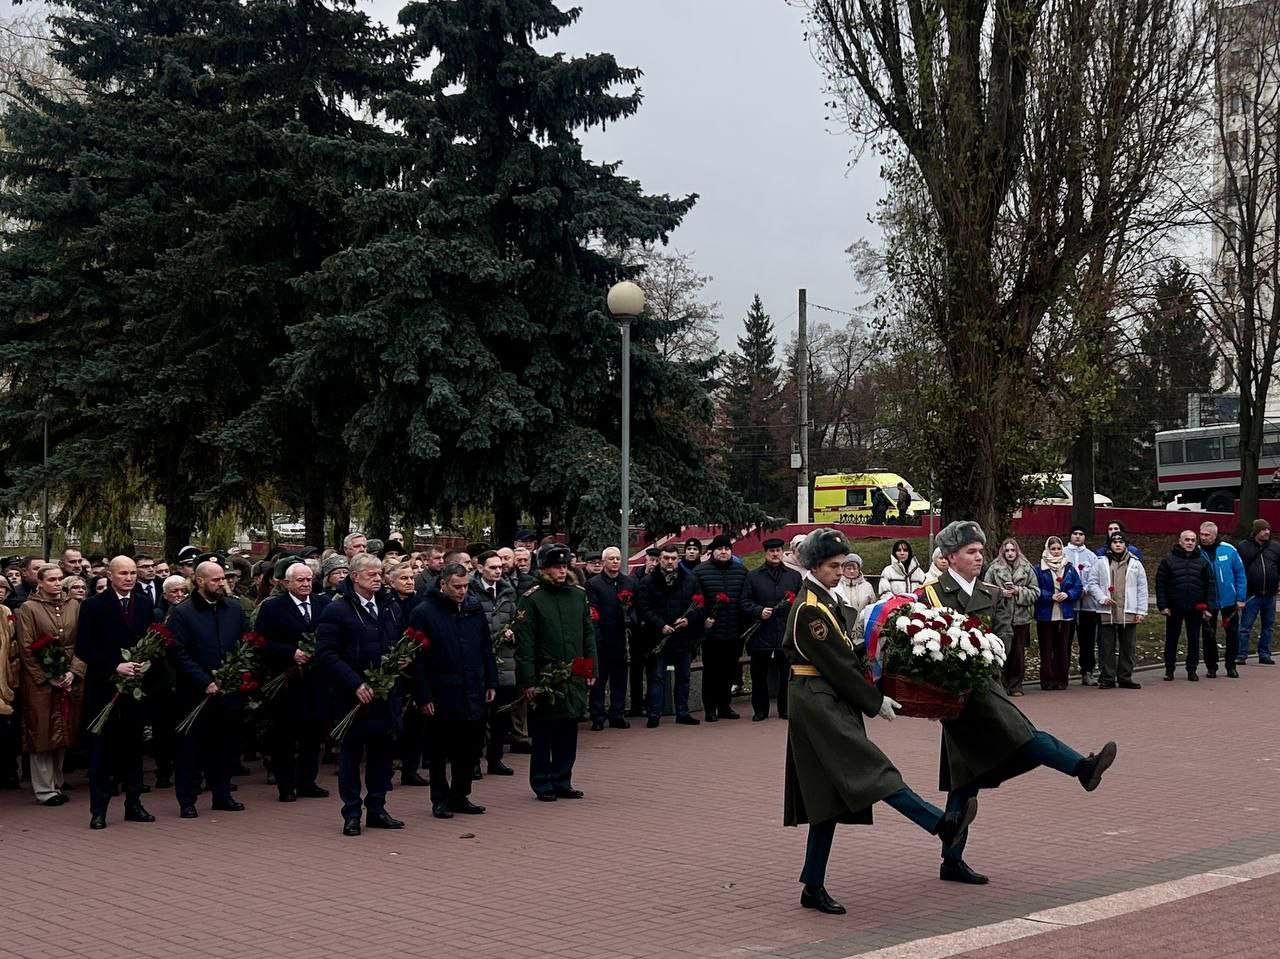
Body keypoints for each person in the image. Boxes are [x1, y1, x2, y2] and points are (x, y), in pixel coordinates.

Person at [784, 528, 977, 915]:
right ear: (814, 566)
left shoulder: (825, 600)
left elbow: (846, 653)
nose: (840, 572)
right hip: (819, 702)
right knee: (874, 771)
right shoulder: (810, 608)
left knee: (828, 796)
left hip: (828, 698)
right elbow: (837, 665)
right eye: (833, 566)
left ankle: (812, 885)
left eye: (842, 565)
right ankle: (940, 824)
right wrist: (875, 701)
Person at [923, 521, 1118, 885]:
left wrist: (988, 656)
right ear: (950, 557)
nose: (978, 557)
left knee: (967, 776)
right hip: (956, 695)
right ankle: (1082, 768)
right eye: (970, 551)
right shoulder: (931, 595)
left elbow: (1003, 635)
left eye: (980, 551)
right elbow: (920, 645)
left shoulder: (991, 592)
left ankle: (951, 859)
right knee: (1020, 740)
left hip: (986, 686)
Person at [316, 553, 406, 835]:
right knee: (351, 756)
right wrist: (355, 683)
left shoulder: (389, 605)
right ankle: (352, 812)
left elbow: (398, 640)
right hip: (351, 696)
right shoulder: (338, 609)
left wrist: (401, 660)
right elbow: (326, 653)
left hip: (384, 693)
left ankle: (377, 807)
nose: (378, 579)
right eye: (371, 574)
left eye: (380, 574)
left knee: (382, 755)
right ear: (355, 577)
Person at [411, 563, 496, 818]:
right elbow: (417, 659)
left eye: (465, 586)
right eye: (456, 587)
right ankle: (440, 798)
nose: (462, 591)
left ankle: (461, 794)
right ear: (443, 584)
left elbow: (485, 647)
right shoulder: (424, 612)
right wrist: (424, 696)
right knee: (439, 749)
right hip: (441, 690)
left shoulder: (473, 608)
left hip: (473, 687)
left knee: (468, 747)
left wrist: (491, 681)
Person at [77, 556, 156, 828]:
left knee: (133, 748)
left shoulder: (144, 603)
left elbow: (149, 640)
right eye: (123, 573)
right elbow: (84, 648)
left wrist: (145, 663)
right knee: (102, 751)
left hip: (134, 688)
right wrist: (114, 665)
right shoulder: (93, 606)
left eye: (133, 573)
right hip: (103, 688)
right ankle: (98, 809)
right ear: (110, 576)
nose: (129, 578)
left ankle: (134, 803)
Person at [513, 543, 597, 801]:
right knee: (544, 733)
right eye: (556, 567)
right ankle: (542, 782)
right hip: (545, 675)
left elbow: (587, 634)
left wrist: (590, 668)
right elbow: (525, 644)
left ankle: (562, 779)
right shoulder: (532, 599)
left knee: (568, 730)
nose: (562, 571)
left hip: (573, 674)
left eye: (564, 566)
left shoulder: (577, 595)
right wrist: (528, 680)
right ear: (544, 569)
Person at [167, 561, 250, 818]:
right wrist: (204, 681)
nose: (221, 583)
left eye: (223, 578)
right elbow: (177, 652)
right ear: (200, 581)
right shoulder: (183, 612)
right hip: (195, 693)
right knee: (191, 748)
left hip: (228, 690)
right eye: (215, 580)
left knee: (225, 745)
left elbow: (246, 643)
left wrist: (235, 673)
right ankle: (188, 799)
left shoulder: (233, 609)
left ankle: (222, 794)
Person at [254, 562, 330, 803]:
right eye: (300, 580)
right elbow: (261, 642)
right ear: (286, 583)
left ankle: (307, 781)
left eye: (309, 579)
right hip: (286, 681)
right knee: (285, 736)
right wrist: (290, 653)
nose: (306, 584)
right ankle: (286, 785)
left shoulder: (323, 604)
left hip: (315, 680)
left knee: (313, 734)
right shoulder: (273, 607)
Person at [14, 563, 83, 807]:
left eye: (59, 579)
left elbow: (82, 641)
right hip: (40, 681)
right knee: (41, 730)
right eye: (51, 579)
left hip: (69, 675)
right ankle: (44, 789)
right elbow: (26, 647)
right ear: (40, 583)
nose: (57, 583)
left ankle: (57, 781)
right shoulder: (29, 608)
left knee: (63, 728)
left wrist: (74, 671)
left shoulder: (73, 605)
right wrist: (47, 676)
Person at [741, 537, 802, 721]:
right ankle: (760, 710)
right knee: (759, 674)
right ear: (765, 553)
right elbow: (744, 602)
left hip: (785, 632)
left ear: (783, 552)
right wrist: (758, 610)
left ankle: (785, 708)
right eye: (771, 551)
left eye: (778, 551)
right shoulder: (753, 576)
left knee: (786, 674)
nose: (775, 554)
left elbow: (801, 602)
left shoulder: (794, 576)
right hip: (761, 632)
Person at [470, 551, 518, 773]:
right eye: (492, 567)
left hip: (504, 662)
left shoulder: (508, 591)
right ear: (480, 568)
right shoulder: (470, 591)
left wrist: (512, 634)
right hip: (479, 661)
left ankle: (495, 758)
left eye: (500, 567)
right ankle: (473, 762)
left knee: (501, 715)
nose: (498, 571)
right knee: (478, 718)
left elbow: (516, 619)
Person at [692, 534, 748, 721]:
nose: (724, 552)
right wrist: (703, 619)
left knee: (729, 670)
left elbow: (745, 598)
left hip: (734, 630)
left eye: (727, 549)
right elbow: (696, 600)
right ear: (712, 551)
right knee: (711, 671)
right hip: (711, 632)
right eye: (720, 549)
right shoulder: (700, 572)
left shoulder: (741, 571)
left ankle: (725, 706)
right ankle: (710, 708)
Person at [1087, 532, 1148, 689]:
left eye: (1121, 542)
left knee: (1128, 647)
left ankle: (1125, 677)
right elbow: (1092, 583)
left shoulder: (1135, 563)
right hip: (1107, 611)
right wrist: (1102, 598)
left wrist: (1141, 611)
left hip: (1129, 610)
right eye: (1114, 542)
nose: (1118, 544)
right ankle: (1108, 677)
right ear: (1110, 545)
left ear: (1126, 544)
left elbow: (1142, 588)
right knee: (1106, 647)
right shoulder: (1101, 562)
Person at [585, 546, 636, 731]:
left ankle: (617, 714)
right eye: (611, 559)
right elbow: (592, 611)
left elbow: (635, 606)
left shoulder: (629, 582)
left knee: (620, 680)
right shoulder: (594, 584)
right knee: (599, 682)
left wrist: (631, 619)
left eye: (618, 559)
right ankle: (598, 716)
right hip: (602, 638)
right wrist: (597, 635)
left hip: (622, 639)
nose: (615, 562)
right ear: (604, 561)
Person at [1155, 530, 1214, 682]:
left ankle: (1192, 669)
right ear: (1180, 541)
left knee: (1194, 640)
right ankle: (1169, 669)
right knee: (1171, 639)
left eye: (1193, 540)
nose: (1190, 542)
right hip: (1174, 607)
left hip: (1195, 608)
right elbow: (1160, 584)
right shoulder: (1168, 561)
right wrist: (1163, 605)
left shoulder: (1203, 562)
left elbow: (1210, 586)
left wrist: (1208, 607)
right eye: (1187, 540)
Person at [982, 539, 1038, 696]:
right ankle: (1001, 684)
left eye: (1013, 550)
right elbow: (985, 590)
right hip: (1001, 617)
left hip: (1021, 618)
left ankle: (1016, 685)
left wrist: (1018, 591)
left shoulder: (1027, 569)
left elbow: (1035, 592)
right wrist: (1001, 593)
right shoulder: (994, 568)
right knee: (1001, 651)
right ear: (1002, 552)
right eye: (1007, 550)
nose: (1010, 553)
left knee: (1018, 653)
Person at [1197, 521, 1246, 679]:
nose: (1203, 538)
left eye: (1207, 535)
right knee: (1208, 635)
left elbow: (1240, 574)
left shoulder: (1229, 549)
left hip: (1229, 600)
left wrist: (1240, 597)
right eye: (1201, 534)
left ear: (1215, 535)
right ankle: (1211, 667)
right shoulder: (1196, 552)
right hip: (1208, 601)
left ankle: (1231, 666)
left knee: (1232, 634)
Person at [1033, 536, 1083, 691]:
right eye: (1053, 549)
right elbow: (1035, 589)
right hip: (1046, 614)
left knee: (1062, 648)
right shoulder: (1039, 568)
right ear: (1047, 550)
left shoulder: (1069, 568)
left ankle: (1061, 679)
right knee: (1046, 648)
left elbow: (1078, 587)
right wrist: (1050, 596)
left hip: (1065, 614)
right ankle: (1047, 680)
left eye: (1058, 549)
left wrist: (1068, 594)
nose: (1056, 552)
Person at [1236, 518, 1280, 666]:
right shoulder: (1243, 546)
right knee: (1245, 626)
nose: (1267, 532)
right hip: (1252, 593)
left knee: (1268, 626)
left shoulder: (1275, 547)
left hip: (1270, 594)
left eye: (1268, 529)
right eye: (1263, 529)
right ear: (1256, 531)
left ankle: (1264, 654)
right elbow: (1239, 569)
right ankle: (1241, 654)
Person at [1064, 526, 1099, 684]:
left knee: (1088, 640)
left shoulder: (1091, 556)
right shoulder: (1063, 553)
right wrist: (1072, 591)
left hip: (1087, 604)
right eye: (1075, 533)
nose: (1078, 536)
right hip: (1068, 605)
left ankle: (1087, 671)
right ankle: (1063, 671)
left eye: (1081, 534)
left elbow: (1096, 576)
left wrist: (1086, 588)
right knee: (1065, 639)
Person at [832, 554, 875, 622]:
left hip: (861, 625)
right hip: (841, 624)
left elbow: (873, 607)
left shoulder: (867, 586)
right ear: (843, 569)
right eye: (849, 568)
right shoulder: (836, 586)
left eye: (854, 568)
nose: (852, 571)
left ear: (859, 570)